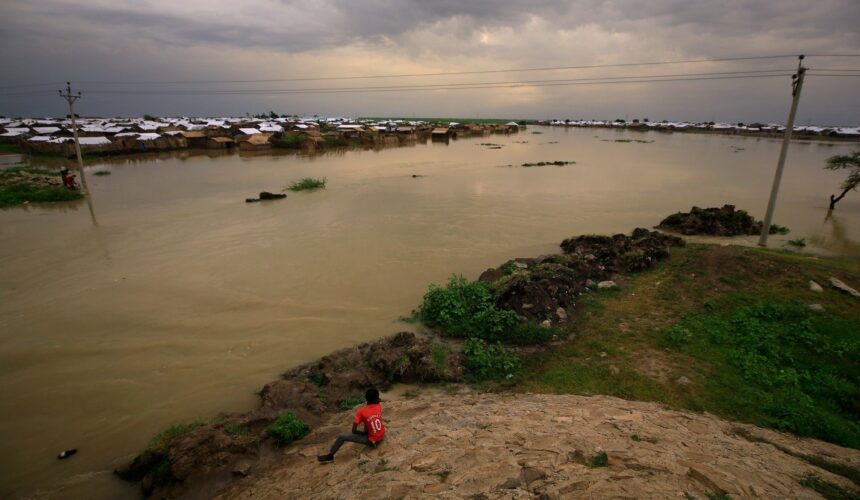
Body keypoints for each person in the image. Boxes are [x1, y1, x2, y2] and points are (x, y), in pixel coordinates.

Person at [317, 388, 385, 463]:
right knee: (369, 421)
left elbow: (354, 430)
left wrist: (362, 433)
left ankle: (330, 456)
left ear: (366, 399)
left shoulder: (361, 412)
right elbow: (378, 400)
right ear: (377, 398)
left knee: (342, 436)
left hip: (372, 442)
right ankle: (369, 433)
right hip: (381, 436)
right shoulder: (378, 406)